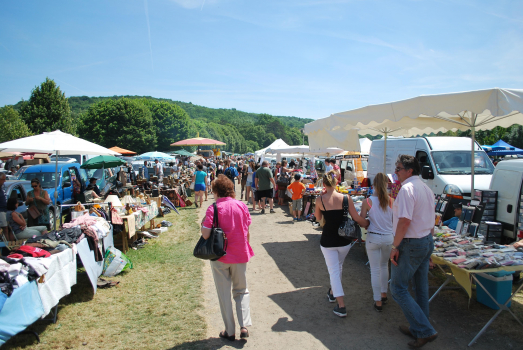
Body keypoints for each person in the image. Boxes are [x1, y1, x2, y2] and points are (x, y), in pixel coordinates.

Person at [390, 155, 438, 348]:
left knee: (398, 288)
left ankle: (424, 329)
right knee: (420, 288)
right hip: (424, 240)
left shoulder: (408, 189)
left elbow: (404, 221)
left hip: (412, 243)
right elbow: (430, 217)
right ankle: (420, 328)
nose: (396, 172)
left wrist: (395, 246)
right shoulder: (426, 188)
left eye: (399, 168)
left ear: (409, 170)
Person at [201, 175, 253, 341]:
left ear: (216, 191)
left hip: (220, 256)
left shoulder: (213, 208)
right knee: (241, 290)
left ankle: (229, 331)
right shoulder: (241, 206)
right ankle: (244, 325)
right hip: (240, 254)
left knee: (224, 294)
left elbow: (205, 233)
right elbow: (247, 230)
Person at [314, 170, 368, 318]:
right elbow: (357, 218)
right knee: (337, 268)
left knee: (334, 271)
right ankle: (332, 293)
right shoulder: (346, 198)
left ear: (324, 184)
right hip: (344, 240)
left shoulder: (320, 199)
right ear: (337, 182)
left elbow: (318, 218)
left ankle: (341, 305)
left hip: (328, 240)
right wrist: (367, 223)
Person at [358, 172, 394, 312]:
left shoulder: (367, 201)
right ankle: (384, 293)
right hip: (387, 237)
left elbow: (362, 221)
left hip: (373, 236)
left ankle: (377, 299)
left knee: (375, 270)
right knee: (384, 266)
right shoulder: (392, 201)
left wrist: (367, 222)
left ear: (374, 185)